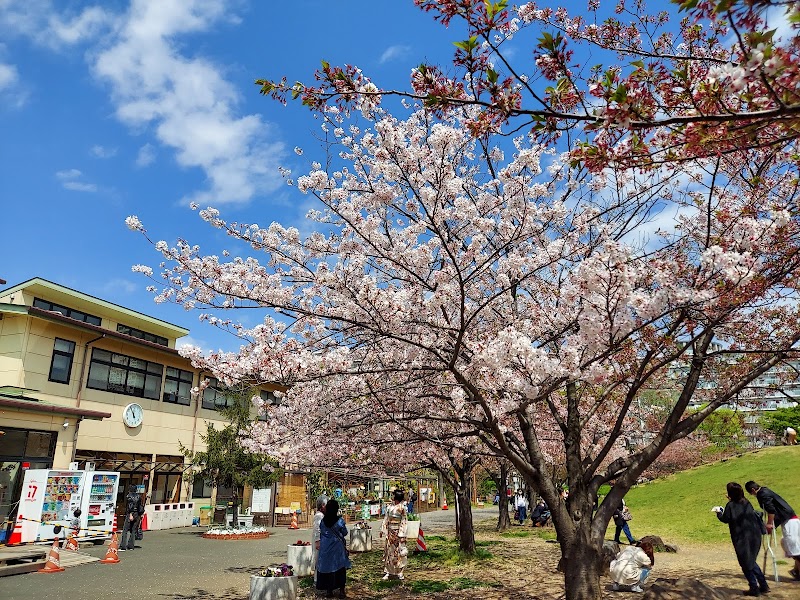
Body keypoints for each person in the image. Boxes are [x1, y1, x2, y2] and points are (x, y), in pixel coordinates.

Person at [714, 482, 770, 596]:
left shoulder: (731, 505)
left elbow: (726, 519)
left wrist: (719, 512)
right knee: (751, 561)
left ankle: (754, 587)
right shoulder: (746, 503)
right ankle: (763, 586)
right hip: (755, 535)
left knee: (746, 563)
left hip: (742, 538)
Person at [745, 480, 800, 581]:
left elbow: (771, 510)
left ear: (753, 490)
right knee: (792, 546)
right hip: (788, 520)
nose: (752, 495)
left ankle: (797, 571)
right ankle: (797, 571)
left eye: (751, 493)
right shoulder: (765, 491)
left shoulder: (762, 494)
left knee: (794, 548)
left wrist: (770, 523)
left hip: (789, 521)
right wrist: (773, 525)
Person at [317, 498, 350, 598]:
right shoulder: (339, 521)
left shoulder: (323, 521)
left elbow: (322, 531)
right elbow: (345, 532)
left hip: (325, 548)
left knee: (328, 569)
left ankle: (329, 591)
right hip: (337, 549)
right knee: (340, 569)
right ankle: (341, 591)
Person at [380, 489, 408, 580]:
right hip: (390, 532)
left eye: (393, 495)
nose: (392, 497)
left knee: (399, 553)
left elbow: (404, 521)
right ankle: (388, 571)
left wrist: (402, 534)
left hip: (398, 532)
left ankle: (400, 572)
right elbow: (386, 518)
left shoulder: (402, 508)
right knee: (389, 552)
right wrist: (383, 529)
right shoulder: (389, 507)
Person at [120, 485, 144, 551]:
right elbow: (140, 506)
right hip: (137, 515)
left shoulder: (129, 496)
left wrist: (130, 514)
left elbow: (130, 507)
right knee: (133, 531)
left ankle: (123, 546)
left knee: (125, 530)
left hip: (130, 514)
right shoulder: (139, 496)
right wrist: (140, 514)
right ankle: (131, 546)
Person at [312, 494, 328, 591]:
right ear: (322, 506)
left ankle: (321, 581)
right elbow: (317, 529)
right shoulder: (319, 516)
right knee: (318, 561)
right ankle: (317, 581)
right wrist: (318, 541)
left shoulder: (322, 515)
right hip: (320, 542)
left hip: (323, 541)